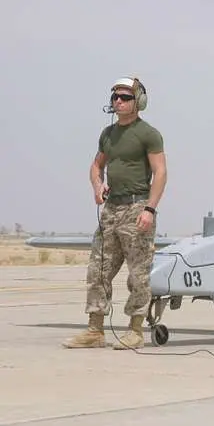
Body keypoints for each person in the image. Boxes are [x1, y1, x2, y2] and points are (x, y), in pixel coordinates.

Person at [63, 76, 167, 349]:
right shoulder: (108, 134)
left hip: (136, 207)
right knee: (98, 270)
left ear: (139, 101)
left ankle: (135, 330)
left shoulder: (148, 134)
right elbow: (96, 166)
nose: (118, 101)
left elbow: (160, 172)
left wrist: (149, 209)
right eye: (115, 97)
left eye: (125, 97)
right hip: (111, 209)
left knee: (138, 274)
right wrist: (97, 186)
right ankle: (95, 330)